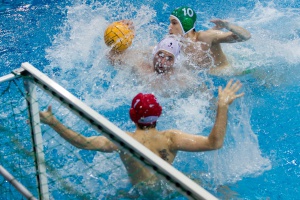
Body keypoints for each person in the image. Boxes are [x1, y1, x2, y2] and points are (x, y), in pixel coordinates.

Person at [39, 79, 244, 187]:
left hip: (141, 194)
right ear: (158, 115)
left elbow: (82, 142)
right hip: (171, 191)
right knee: (201, 181)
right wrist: (222, 106)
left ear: (132, 116)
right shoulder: (171, 138)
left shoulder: (124, 141)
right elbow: (214, 143)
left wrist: (53, 122)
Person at [169, 6, 251, 75]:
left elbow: (246, 36)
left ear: (186, 23)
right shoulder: (177, 43)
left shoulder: (206, 37)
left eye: (174, 23)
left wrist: (227, 26)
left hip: (231, 73)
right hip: (210, 77)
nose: (170, 27)